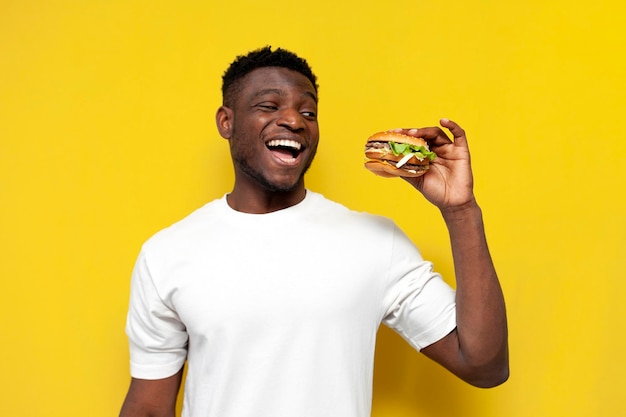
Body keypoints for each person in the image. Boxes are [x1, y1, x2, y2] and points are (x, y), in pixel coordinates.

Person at [119, 46, 509, 417]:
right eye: (269, 106)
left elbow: (484, 365)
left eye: (309, 111)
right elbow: (148, 407)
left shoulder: (374, 243)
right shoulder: (168, 253)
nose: (294, 120)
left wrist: (461, 211)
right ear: (226, 121)